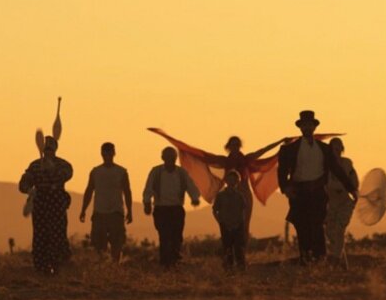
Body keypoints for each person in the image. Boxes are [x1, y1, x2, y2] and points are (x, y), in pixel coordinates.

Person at [148, 128, 287, 247]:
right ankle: (229, 251)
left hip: (244, 193)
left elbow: (263, 150)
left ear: (239, 146)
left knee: (244, 223)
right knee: (227, 223)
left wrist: (280, 142)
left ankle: (241, 252)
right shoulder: (224, 161)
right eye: (232, 145)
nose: (234, 147)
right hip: (228, 196)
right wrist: (174, 141)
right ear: (229, 146)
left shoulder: (247, 159)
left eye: (236, 144)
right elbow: (202, 155)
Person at [278, 111, 356, 264]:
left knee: (317, 226)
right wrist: (286, 188)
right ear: (301, 128)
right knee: (302, 227)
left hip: (318, 192)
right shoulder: (289, 149)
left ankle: (319, 260)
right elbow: (282, 171)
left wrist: (351, 188)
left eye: (310, 125)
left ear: (314, 127)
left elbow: (337, 170)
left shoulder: (324, 149)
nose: (307, 128)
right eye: (304, 125)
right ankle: (306, 259)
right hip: (299, 193)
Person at [19, 136, 73, 274]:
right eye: (46, 148)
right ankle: (41, 266)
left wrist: (52, 168)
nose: (48, 151)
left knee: (58, 234)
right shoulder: (35, 165)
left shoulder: (63, 164)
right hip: (41, 203)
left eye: (50, 148)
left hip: (56, 203)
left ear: (55, 149)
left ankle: (58, 265)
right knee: (40, 235)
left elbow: (67, 175)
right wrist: (28, 189)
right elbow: (24, 183)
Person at [143, 147, 200, 269]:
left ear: (175, 158)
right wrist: (147, 203)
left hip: (176, 209)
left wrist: (195, 198)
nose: (170, 159)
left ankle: (175, 262)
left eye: (172, 157)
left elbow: (191, 186)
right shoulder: (156, 172)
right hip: (161, 209)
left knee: (176, 236)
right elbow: (148, 188)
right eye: (168, 157)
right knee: (164, 236)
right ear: (163, 158)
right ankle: (165, 263)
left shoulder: (181, 173)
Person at [79, 142, 133, 263]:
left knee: (117, 242)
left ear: (114, 153)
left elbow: (127, 192)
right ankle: (103, 264)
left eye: (109, 152)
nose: (107, 154)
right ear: (101, 153)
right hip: (99, 212)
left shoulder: (121, 172)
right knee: (99, 243)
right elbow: (89, 191)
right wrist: (83, 210)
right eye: (105, 152)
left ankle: (115, 265)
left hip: (116, 212)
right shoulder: (95, 172)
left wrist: (130, 211)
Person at [324, 138, 359, 263]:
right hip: (331, 202)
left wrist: (354, 191)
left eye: (339, 148)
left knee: (340, 228)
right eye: (335, 148)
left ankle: (337, 258)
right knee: (329, 231)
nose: (337, 151)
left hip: (345, 201)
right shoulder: (326, 166)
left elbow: (354, 181)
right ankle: (342, 259)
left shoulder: (347, 163)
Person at [213, 170, 247, 270]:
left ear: (237, 181)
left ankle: (241, 269)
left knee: (239, 249)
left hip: (238, 225)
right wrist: (220, 222)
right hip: (225, 225)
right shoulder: (220, 196)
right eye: (230, 179)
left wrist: (240, 222)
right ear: (226, 180)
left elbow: (243, 210)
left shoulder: (240, 196)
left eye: (234, 180)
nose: (232, 182)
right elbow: (215, 210)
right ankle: (228, 269)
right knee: (227, 248)